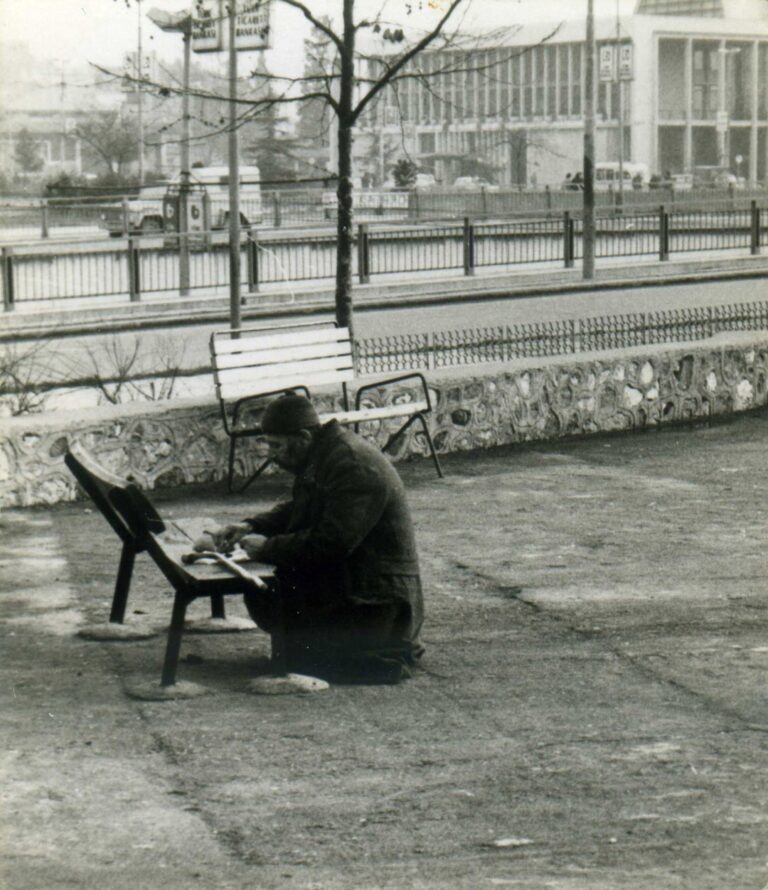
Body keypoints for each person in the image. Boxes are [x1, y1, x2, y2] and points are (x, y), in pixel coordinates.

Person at [207, 393, 425, 685]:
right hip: (361, 586)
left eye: (276, 445)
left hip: (379, 601)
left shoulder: (351, 464)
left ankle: (382, 652)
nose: (271, 454)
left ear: (303, 436)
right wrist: (250, 526)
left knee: (294, 656)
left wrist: (267, 548)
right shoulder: (324, 454)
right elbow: (301, 508)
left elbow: (332, 542)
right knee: (267, 602)